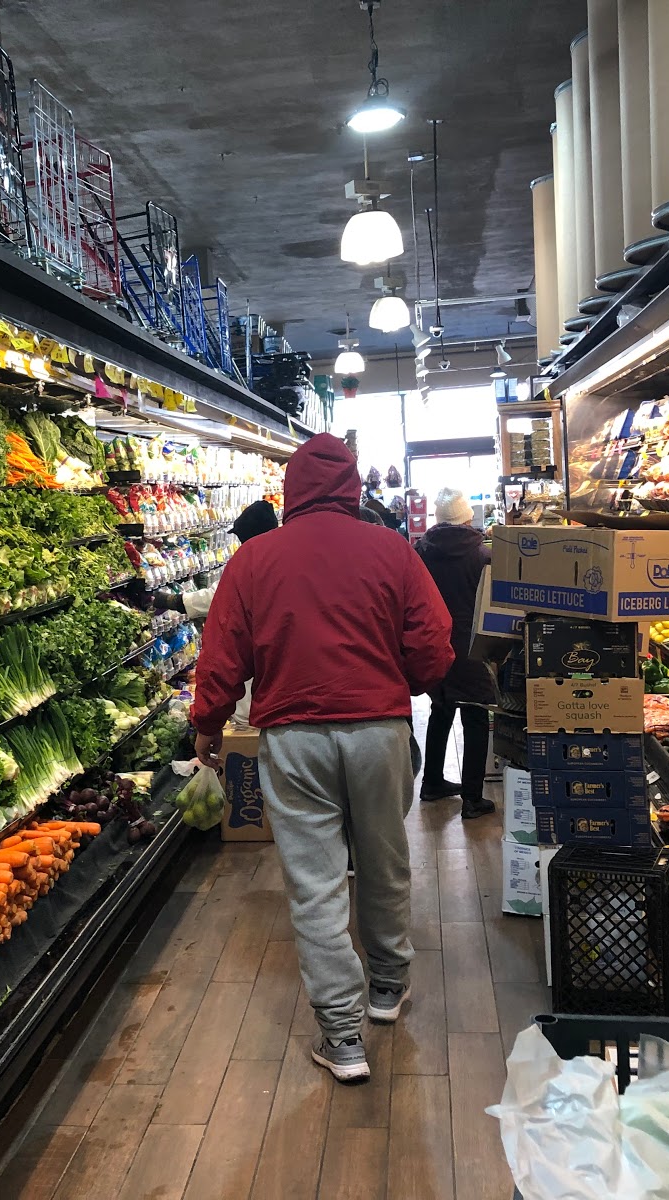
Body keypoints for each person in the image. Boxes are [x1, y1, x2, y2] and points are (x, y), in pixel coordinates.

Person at [191, 434, 453, 1084]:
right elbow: (432, 639)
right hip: (380, 731)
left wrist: (209, 725)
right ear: (353, 489)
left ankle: (342, 1039)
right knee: (385, 859)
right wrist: (406, 684)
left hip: (294, 735)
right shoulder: (391, 549)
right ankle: (388, 990)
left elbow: (222, 653)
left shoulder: (254, 561)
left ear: (291, 492)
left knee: (315, 886)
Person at [415, 491, 497, 818]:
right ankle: (473, 799)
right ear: (466, 517)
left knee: (442, 708)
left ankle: (433, 781)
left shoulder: (421, 552)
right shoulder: (481, 554)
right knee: (475, 715)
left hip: (434, 642)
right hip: (471, 644)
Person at [153, 500, 280, 620]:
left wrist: (172, 600)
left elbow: (220, 597)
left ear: (252, 536)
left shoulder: (254, 563)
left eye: (241, 537)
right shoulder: (276, 555)